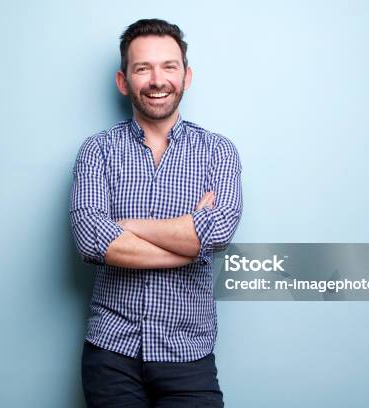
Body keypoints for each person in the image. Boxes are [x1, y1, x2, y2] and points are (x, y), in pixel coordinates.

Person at [69, 18, 243, 407]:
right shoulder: (97, 151)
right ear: (123, 80)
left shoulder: (219, 152)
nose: (157, 79)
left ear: (186, 76)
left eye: (169, 66)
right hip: (110, 353)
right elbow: (90, 239)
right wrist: (188, 241)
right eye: (142, 68)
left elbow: (216, 233)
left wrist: (124, 226)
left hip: (188, 355)